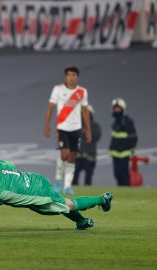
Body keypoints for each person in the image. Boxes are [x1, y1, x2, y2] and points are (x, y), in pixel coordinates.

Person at [0, 160, 113, 230]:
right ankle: (82, 222)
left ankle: (102, 199)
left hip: (39, 193)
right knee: (56, 209)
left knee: (67, 204)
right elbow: (9, 165)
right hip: (34, 178)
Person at [44, 66, 91, 195]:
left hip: (76, 128)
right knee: (64, 155)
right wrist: (46, 124)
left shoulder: (82, 92)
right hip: (62, 127)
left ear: (78, 77)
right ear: (66, 76)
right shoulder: (58, 89)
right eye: (69, 75)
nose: (71, 77)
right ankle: (58, 183)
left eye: (74, 75)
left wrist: (88, 130)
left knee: (72, 157)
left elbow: (85, 111)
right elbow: (51, 106)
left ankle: (68, 186)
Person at [109, 98, 138, 186]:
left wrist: (131, 148)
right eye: (115, 108)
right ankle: (120, 190)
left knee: (124, 173)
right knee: (117, 174)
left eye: (118, 108)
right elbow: (114, 137)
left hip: (125, 152)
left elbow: (134, 137)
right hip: (115, 153)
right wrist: (111, 149)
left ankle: (127, 190)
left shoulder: (128, 121)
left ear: (122, 109)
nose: (116, 110)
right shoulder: (116, 121)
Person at [73, 105, 101, 186]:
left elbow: (96, 137)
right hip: (78, 156)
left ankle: (87, 195)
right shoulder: (77, 125)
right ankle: (73, 194)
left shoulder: (95, 126)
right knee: (74, 177)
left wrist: (86, 132)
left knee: (88, 179)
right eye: (82, 113)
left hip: (90, 157)